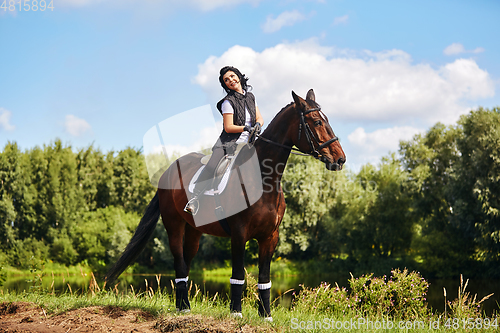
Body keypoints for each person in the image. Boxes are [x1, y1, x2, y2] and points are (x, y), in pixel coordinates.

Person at [184, 66, 264, 215]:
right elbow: (228, 127)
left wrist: (258, 124)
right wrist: (246, 128)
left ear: (239, 77)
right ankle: (194, 198)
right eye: (226, 80)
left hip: (249, 144)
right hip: (227, 144)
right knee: (212, 165)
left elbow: (259, 117)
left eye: (232, 76)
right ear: (225, 85)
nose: (231, 80)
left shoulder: (251, 97)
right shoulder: (228, 102)